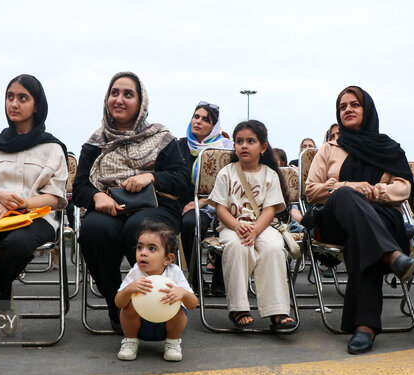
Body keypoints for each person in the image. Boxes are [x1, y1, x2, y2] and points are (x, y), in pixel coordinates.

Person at [306, 86, 414, 354]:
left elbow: (404, 188)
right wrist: (349, 187)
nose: (348, 110)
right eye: (342, 107)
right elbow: (311, 190)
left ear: (367, 110)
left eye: (354, 104)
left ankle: (364, 327)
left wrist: (376, 192)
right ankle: (392, 256)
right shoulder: (329, 149)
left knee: (362, 238)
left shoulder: (389, 148)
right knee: (344, 195)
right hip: (334, 222)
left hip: (378, 218)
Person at [72, 72, 188, 332]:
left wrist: (151, 177)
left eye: (128, 94)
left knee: (141, 229)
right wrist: (96, 196)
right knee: (93, 231)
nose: (119, 99)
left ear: (141, 102)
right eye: (114, 93)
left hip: (156, 209)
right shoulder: (94, 143)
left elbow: (181, 180)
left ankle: (157, 308)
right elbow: (79, 186)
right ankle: (121, 308)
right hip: (110, 209)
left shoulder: (161, 138)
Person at [0, 74, 68, 334]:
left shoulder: (52, 148)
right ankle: (2, 302)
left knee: (18, 244)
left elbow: (54, 197)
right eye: (10, 97)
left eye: (23, 98)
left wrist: (16, 204)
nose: (14, 104)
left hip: (37, 217)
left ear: (37, 105)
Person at [208, 120, 296, 330]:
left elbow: (270, 210)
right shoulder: (226, 173)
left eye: (250, 141)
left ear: (263, 147)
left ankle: (277, 310)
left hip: (263, 226)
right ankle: (238, 307)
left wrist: (256, 230)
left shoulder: (270, 175)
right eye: (239, 141)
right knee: (237, 247)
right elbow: (221, 208)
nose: (244, 145)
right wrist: (237, 226)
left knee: (274, 248)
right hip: (232, 226)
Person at [115, 221, 198, 361]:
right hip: (140, 324)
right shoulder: (136, 271)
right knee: (128, 307)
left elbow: (193, 304)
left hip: (166, 325)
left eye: (151, 249)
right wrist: (129, 289)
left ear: (168, 259)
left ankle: (173, 343)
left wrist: (183, 293)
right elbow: (118, 302)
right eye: (139, 247)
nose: (143, 253)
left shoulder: (174, 272)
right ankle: (130, 341)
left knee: (179, 310)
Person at [177, 101, 232, 296]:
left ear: (214, 126)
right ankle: (195, 281)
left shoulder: (225, 149)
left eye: (205, 119)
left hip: (217, 203)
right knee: (191, 222)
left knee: (229, 225)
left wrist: (203, 201)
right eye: (196, 117)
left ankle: (220, 281)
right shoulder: (180, 146)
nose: (198, 121)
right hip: (186, 205)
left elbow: (230, 184)